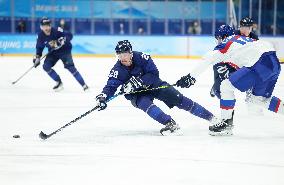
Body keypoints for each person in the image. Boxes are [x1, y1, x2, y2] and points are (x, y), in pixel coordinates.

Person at [176, 24, 283, 136]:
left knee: (226, 86)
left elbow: (207, 59)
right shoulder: (244, 39)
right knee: (258, 99)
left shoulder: (225, 43)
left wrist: (190, 77)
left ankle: (226, 124)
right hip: (274, 61)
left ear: (220, 37)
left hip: (259, 63)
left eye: (217, 39)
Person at [95, 40, 221, 135]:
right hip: (137, 94)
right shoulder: (117, 69)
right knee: (145, 104)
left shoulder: (142, 58)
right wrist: (103, 97)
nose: (122, 57)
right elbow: (111, 86)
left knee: (178, 99)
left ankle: (212, 118)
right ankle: (170, 124)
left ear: (131, 53)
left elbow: (154, 73)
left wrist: (138, 81)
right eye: (119, 55)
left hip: (154, 85)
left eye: (124, 54)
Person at [210, 17, 261, 115]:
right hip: (230, 63)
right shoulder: (234, 35)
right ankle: (216, 88)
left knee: (252, 79)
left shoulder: (255, 38)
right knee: (221, 78)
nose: (245, 30)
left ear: (251, 28)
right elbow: (221, 49)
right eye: (243, 27)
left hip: (243, 63)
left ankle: (252, 102)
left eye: (248, 27)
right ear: (239, 27)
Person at [34, 17, 89, 91]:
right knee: (46, 66)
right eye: (44, 26)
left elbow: (69, 35)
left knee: (71, 67)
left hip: (65, 51)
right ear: (41, 27)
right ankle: (59, 82)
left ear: (50, 25)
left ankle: (84, 85)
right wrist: (37, 57)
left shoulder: (58, 30)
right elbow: (39, 47)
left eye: (47, 25)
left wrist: (63, 40)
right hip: (53, 52)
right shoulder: (40, 36)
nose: (46, 28)